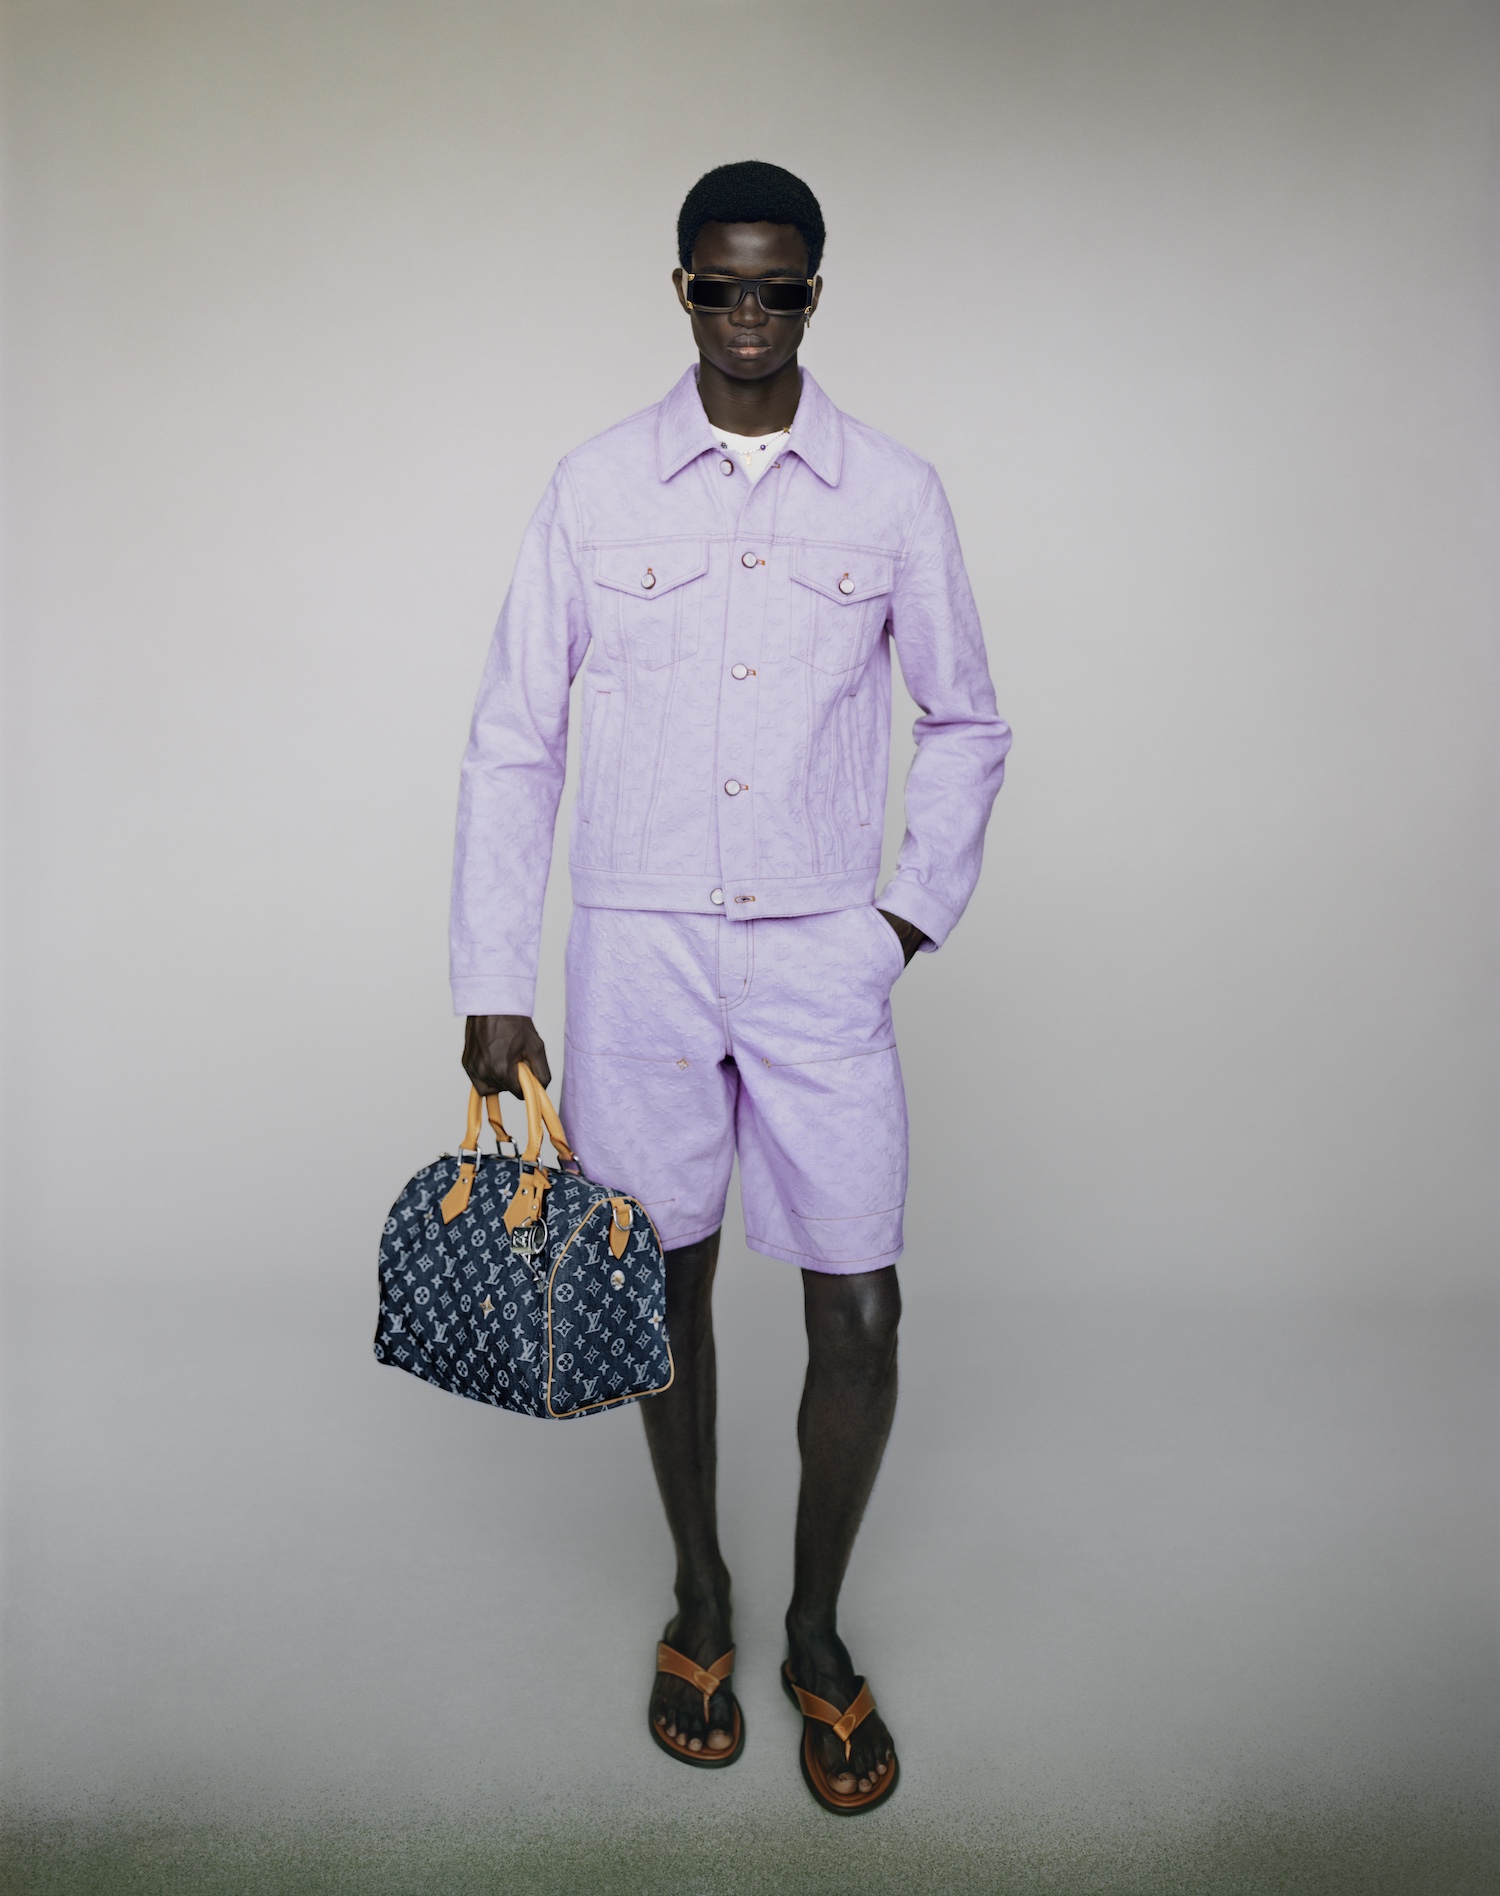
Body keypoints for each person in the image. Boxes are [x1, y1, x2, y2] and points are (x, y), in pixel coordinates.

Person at [451, 160, 1010, 1813]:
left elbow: (967, 719)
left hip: (821, 953)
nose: (747, 315)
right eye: (719, 286)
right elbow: (513, 734)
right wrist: (493, 976)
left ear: (814, 295)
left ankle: (815, 1632)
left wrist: (902, 920)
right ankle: (699, 1595)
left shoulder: (892, 494)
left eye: (776, 288)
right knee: (658, 1287)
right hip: (639, 955)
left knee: (861, 1306)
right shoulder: (594, 486)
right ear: (682, 289)